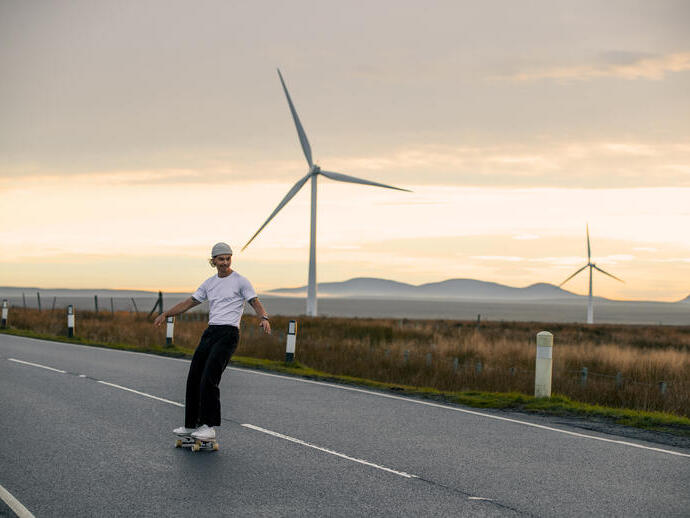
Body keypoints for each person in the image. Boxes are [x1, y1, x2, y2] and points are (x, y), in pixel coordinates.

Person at [153, 242, 270, 441]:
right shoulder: (209, 283)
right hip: (211, 332)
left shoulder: (241, 281)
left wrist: (264, 318)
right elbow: (188, 303)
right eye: (221, 259)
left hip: (229, 334)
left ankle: (209, 426)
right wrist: (166, 313)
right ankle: (191, 425)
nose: (225, 262)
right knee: (194, 376)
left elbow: (254, 302)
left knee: (209, 377)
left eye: (228, 258)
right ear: (213, 261)